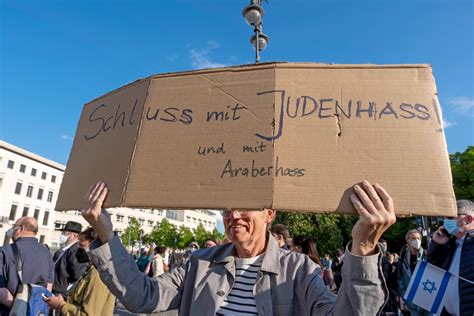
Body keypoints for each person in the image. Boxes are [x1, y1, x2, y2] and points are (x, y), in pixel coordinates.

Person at [82, 180, 395, 315]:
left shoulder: (300, 272)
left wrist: (364, 250)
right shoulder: (199, 263)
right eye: (226, 208)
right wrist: (106, 234)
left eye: (244, 206)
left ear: (269, 214)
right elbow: (143, 297)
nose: (232, 216)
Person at [44, 228, 115, 315]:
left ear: (96, 248)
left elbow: (89, 314)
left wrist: (61, 305)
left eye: (82, 246)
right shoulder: (91, 270)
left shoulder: (98, 275)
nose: (78, 251)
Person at [427, 199, 474, 316]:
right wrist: (437, 244)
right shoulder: (451, 245)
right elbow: (432, 270)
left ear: (468, 219)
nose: (445, 222)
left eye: (450, 218)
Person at [0, 217, 54, 314]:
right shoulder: (47, 253)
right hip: (36, 311)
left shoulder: (5, 251)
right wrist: (31, 309)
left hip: (9, 311)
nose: (12, 230)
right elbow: (48, 287)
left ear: (22, 229)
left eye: (14, 227)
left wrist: (19, 308)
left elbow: (1, 289)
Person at [398, 229, 431, 316]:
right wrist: (407, 299)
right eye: (413, 238)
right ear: (408, 240)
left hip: (429, 300)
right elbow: (400, 281)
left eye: (418, 238)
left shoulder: (428, 256)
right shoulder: (402, 259)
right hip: (412, 303)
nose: (416, 240)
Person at [52, 221, 88, 299]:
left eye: (65, 233)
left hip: (62, 294)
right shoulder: (65, 249)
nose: (62, 235)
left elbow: (78, 274)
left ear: (74, 235)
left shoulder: (78, 250)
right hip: (56, 291)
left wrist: (65, 293)